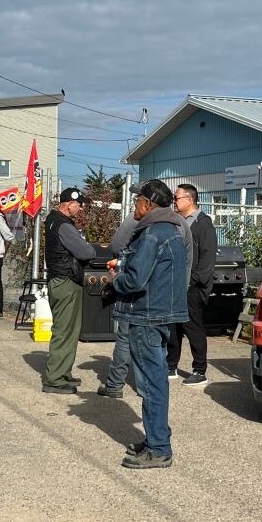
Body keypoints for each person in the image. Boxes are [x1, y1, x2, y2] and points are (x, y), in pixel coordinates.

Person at [110, 179, 188, 469]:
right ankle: (157, 438)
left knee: (152, 383)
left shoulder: (153, 234)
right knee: (155, 380)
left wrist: (115, 281)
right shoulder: (171, 230)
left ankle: (159, 448)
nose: (134, 206)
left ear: (148, 204)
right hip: (159, 313)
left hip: (145, 314)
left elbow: (135, 279)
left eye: (137, 201)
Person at [98, 207, 193, 399]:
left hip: (141, 297)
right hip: (172, 295)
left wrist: (119, 275)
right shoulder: (180, 224)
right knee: (158, 345)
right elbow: (188, 257)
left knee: (126, 336)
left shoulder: (142, 223)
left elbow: (116, 247)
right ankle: (151, 388)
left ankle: (117, 384)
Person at [42, 187, 95, 394]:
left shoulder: (53, 220)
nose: (80, 208)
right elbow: (85, 251)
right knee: (65, 331)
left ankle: (62, 372)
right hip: (65, 281)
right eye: (79, 204)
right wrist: (90, 247)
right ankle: (55, 379)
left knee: (69, 330)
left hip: (60, 280)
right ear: (69, 204)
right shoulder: (64, 225)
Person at [167, 183, 217, 386]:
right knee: (173, 327)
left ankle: (199, 370)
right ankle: (171, 366)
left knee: (192, 326)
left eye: (177, 198)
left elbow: (207, 257)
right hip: (175, 283)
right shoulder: (177, 222)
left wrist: (194, 281)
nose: (174, 202)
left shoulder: (203, 223)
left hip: (192, 286)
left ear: (189, 199)